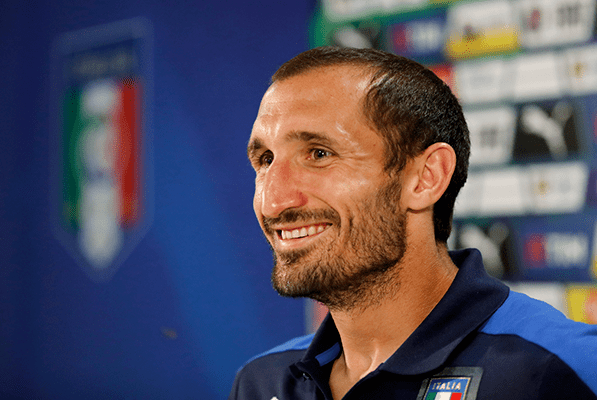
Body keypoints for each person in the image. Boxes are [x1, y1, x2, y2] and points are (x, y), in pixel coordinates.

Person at [229, 46, 597, 400]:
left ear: (426, 177)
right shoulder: (262, 382)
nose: (274, 201)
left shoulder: (566, 369)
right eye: (264, 160)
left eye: (319, 154)